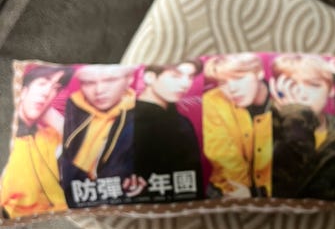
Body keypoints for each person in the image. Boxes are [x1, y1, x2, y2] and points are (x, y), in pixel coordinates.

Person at [1, 65, 73, 218]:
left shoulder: (50, 136)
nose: (47, 92)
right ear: (24, 91)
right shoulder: (15, 144)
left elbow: (82, 146)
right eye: (42, 83)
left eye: (55, 88)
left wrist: (46, 112)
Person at [60, 65, 135, 206]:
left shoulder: (140, 118)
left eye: (110, 80)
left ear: (129, 79)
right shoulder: (70, 107)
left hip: (106, 197)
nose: (99, 91)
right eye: (88, 83)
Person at [203, 53, 271, 198]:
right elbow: (223, 154)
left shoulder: (283, 101)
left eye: (239, 78)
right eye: (223, 83)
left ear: (259, 73)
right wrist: (242, 190)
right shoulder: (213, 100)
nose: (232, 89)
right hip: (228, 187)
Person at [269, 54, 335, 199]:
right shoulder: (261, 127)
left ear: (331, 89)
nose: (301, 95)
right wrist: (296, 117)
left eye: (313, 85)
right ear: (277, 88)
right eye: (291, 85)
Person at [133, 60, 203, 201]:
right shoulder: (127, 119)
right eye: (175, 76)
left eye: (190, 77)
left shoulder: (180, 121)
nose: (185, 84)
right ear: (150, 77)